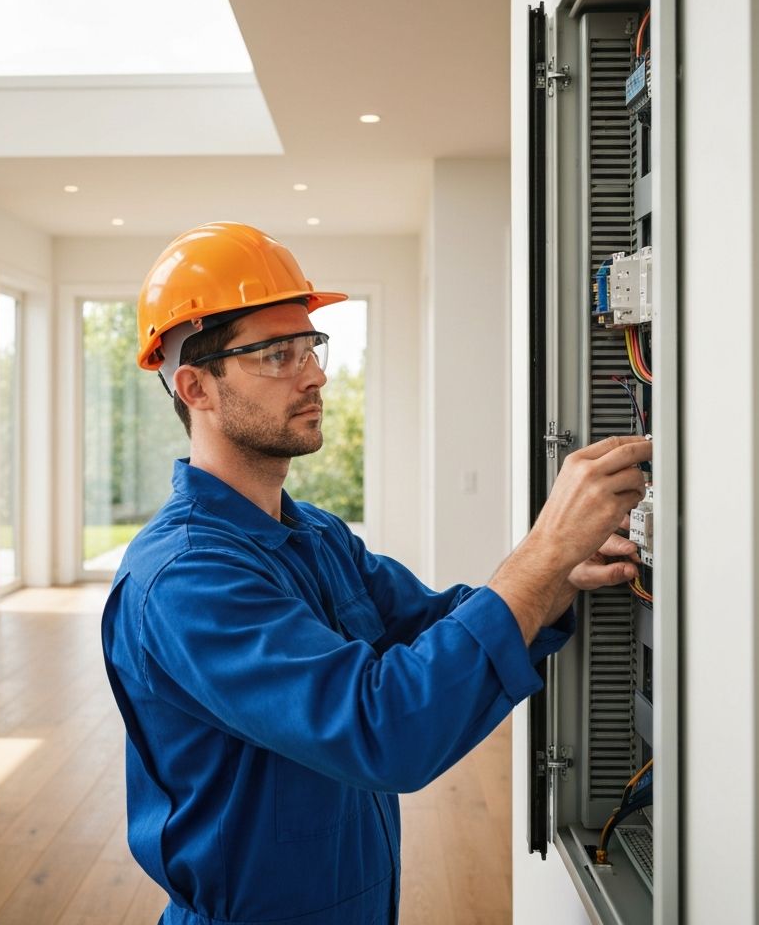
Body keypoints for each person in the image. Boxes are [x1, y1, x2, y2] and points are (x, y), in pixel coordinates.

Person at [101, 221, 651, 925]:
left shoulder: (316, 534)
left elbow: (438, 624)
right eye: (275, 354)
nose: (314, 374)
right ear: (195, 388)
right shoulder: (184, 581)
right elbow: (384, 727)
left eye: (310, 346)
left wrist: (562, 574)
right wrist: (541, 555)